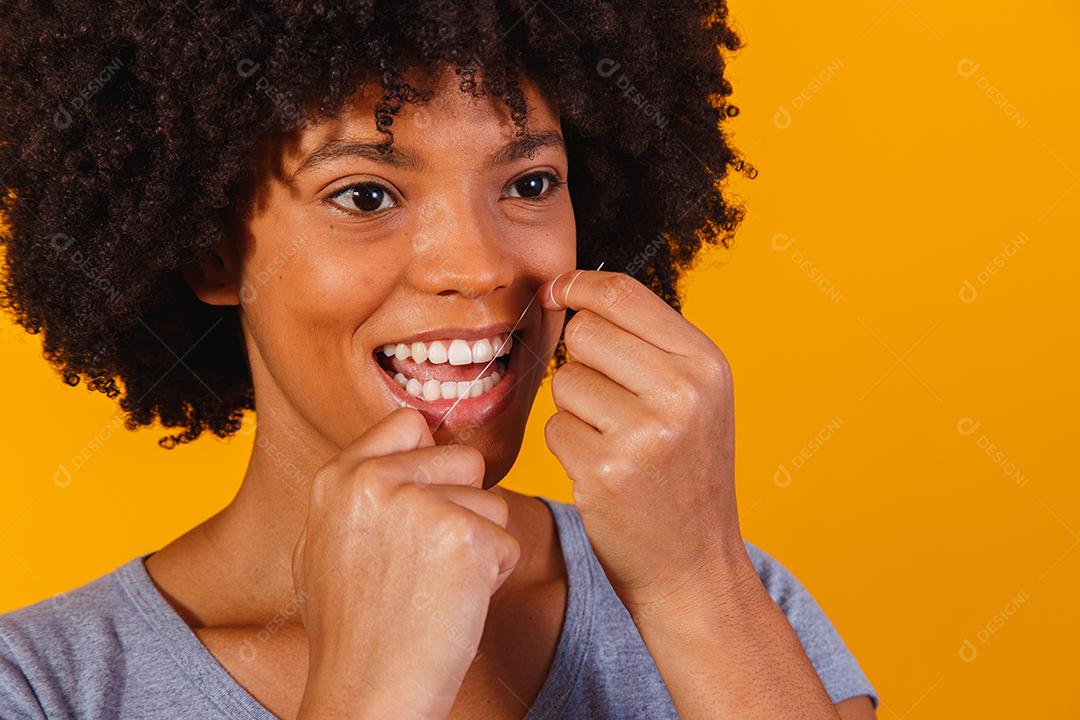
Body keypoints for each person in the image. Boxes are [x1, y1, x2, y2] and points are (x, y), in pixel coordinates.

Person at [0, 1, 878, 717]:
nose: (481, 267)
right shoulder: (46, 688)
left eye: (529, 184)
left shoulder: (736, 599)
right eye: (366, 194)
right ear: (210, 250)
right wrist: (367, 694)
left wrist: (699, 591)